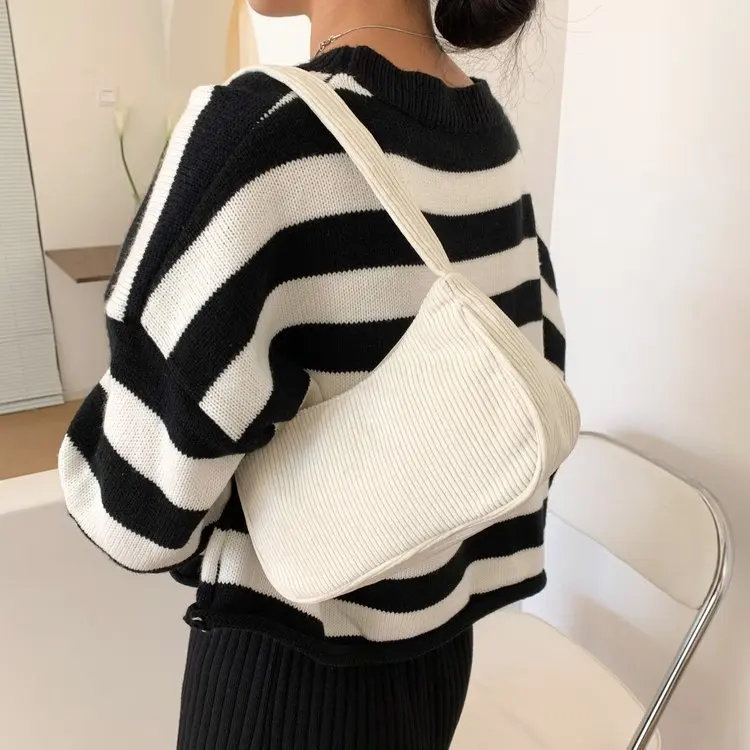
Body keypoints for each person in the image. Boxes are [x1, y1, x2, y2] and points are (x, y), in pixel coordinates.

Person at [59, 0, 566, 747]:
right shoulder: (485, 133)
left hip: (285, 675)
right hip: (438, 655)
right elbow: (529, 374)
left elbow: (136, 510)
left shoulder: (259, 132)